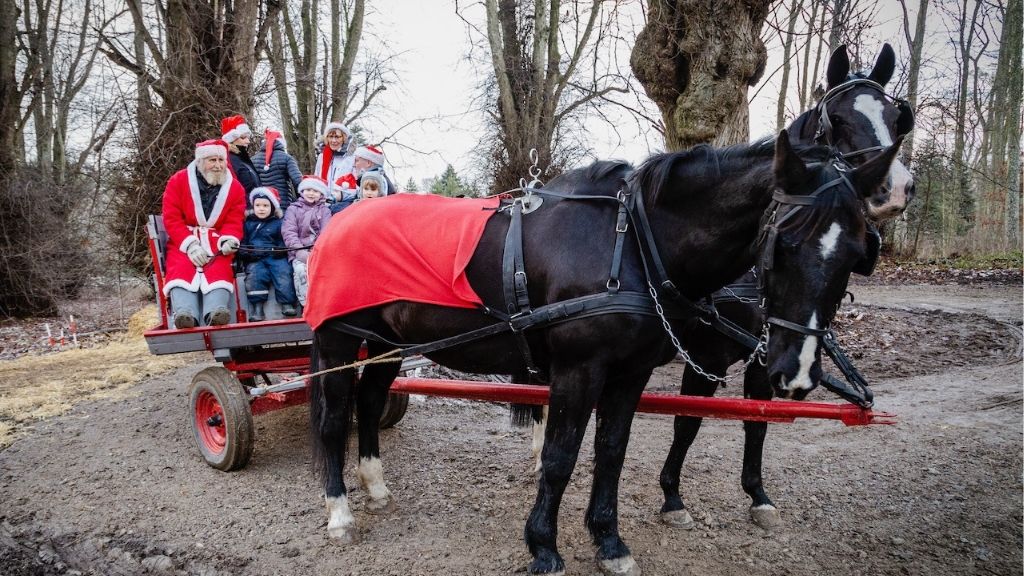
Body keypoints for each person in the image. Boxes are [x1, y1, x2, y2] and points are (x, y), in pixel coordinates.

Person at [162, 139, 246, 328]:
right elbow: (171, 217)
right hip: (183, 241)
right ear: (201, 161)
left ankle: (216, 312)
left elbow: (235, 220)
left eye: (221, 160)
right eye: (212, 160)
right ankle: (185, 313)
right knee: (180, 266)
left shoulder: (235, 188)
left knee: (219, 267)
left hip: (215, 242)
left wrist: (229, 240)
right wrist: (190, 245)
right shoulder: (178, 181)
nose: (217, 165)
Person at [240, 187, 298, 321]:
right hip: (256, 257)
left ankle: (287, 303)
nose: (261, 209)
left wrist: (281, 249)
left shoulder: (279, 223)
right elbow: (243, 242)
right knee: (255, 275)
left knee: (283, 272)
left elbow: (283, 239)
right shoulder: (248, 224)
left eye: (265, 205)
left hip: (275, 256)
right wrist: (246, 253)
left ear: (272, 207)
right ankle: (258, 308)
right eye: (258, 205)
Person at [282, 176, 333, 307]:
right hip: (298, 252)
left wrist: (318, 251)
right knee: (301, 271)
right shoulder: (293, 209)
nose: (311, 193)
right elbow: (289, 232)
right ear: (302, 191)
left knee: (325, 272)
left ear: (321, 194)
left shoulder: (325, 210)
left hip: (319, 251)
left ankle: (325, 304)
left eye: (315, 191)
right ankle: (307, 305)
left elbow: (326, 232)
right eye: (308, 190)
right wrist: (299, 251)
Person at [252, 129, 302, 212]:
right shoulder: (287, 158)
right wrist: (300, 200)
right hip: (282, 204)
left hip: (261, 206)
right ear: (281, 143)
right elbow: (297, 180)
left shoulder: (253, 159)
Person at [221, 115, 261, 195]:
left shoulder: (242, 158)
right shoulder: (230, 160)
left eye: (248, 138)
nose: (248, 141)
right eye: (243, 138)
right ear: (231, 140)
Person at [313, 122, 355, 195]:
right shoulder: (321, 156)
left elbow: (355, 184)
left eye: (337, 137)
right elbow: (316, 178)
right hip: (322, 201)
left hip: (343, 201)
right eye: (330, 137)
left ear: (344, 138)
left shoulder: (351, 158)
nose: (333, 141)